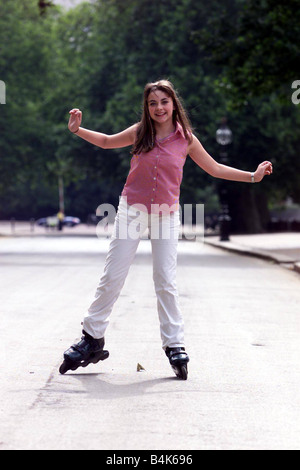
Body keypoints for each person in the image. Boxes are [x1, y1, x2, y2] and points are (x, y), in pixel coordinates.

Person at [59, 79, 273, 379]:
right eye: (152, 103)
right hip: (131, 211)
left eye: (164, 101)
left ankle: (174, 344)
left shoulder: (186, 139)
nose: (159, 108)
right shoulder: (139, 133)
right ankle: (92, 338)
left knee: (165, 280)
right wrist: (77, 130)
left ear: (174, 104)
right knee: (113, 276)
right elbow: (107, 141)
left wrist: (253, 176)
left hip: (166, 215)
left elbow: (215, 169)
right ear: (147, 108)